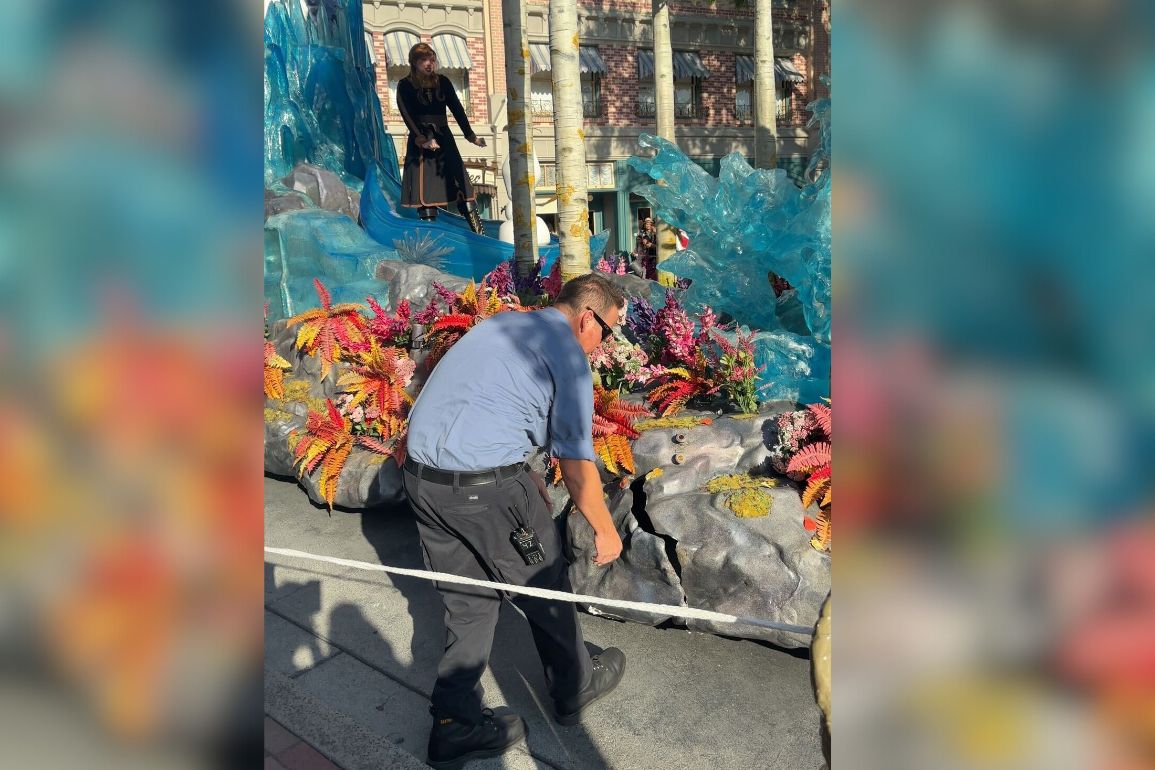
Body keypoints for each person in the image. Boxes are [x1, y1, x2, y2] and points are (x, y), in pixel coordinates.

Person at [402, 273, 629, 768]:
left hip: (422, 480)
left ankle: (454, 724)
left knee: (468, 602)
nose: (604, 347)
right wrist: (605, 529)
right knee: (545, 583)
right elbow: (575, 462)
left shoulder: (501, 325)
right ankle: (575, 687)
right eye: (607, 333)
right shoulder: (568, 356)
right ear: (587, 318)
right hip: (489, 487)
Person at [397, 42, 487, 235]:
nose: (429, 64)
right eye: (424, 60)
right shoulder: (404, 85)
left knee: (463, 186)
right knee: (427, 195)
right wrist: (422, 139)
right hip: (422, 143)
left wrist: (471, 136)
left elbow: (457, 109)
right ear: (414, 62)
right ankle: (432, 239)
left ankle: (479, 235)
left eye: (432, 59)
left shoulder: (443, 81)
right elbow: (407, 114)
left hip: (445, 138)